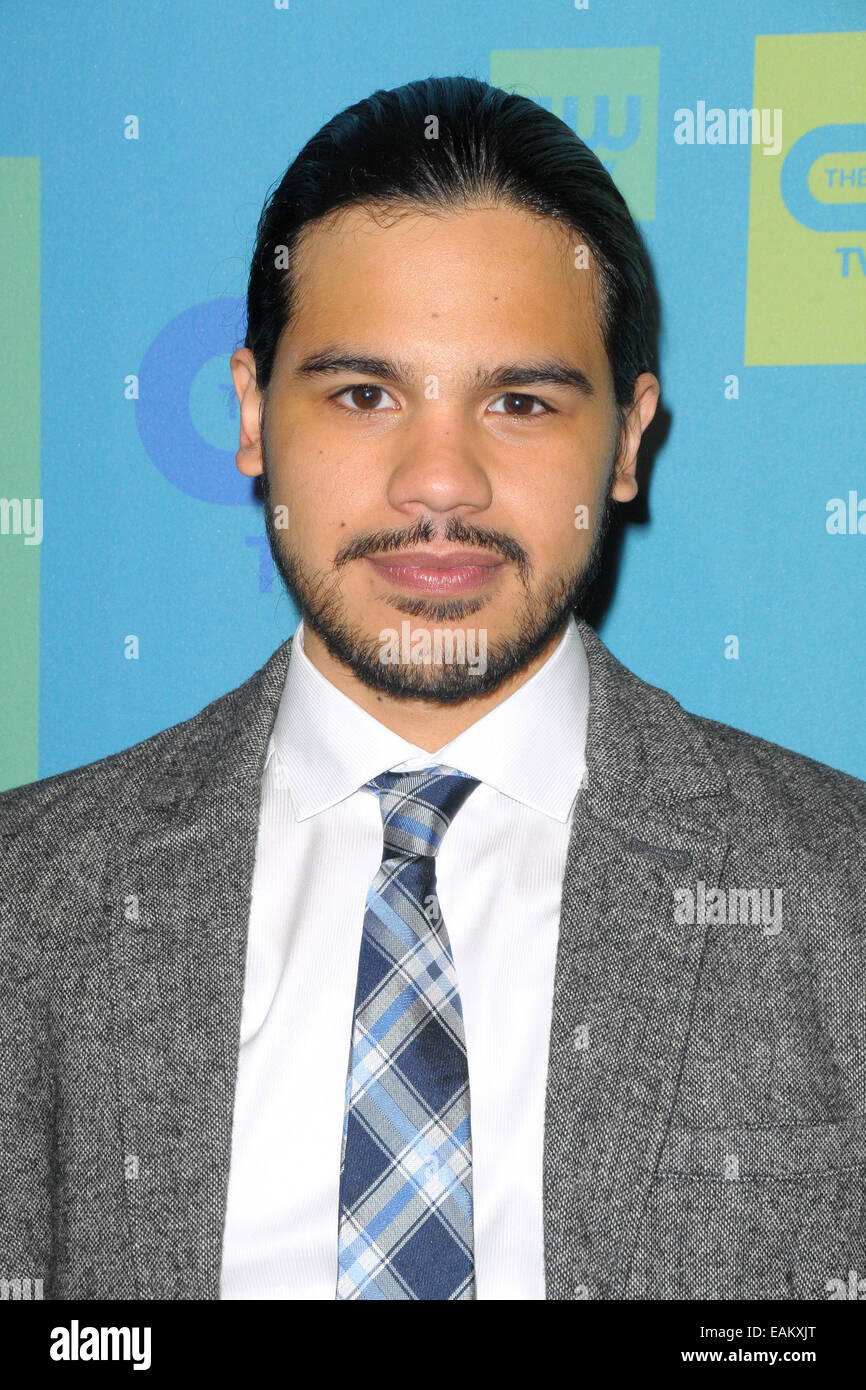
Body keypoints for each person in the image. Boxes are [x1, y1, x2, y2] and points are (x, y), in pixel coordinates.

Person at [1, 75, 863, 1303]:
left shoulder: (840, 898)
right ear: (250, 413)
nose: (438, 483)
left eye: (517, 401)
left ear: (625, 439)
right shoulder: (26, 908)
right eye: (364, 395)